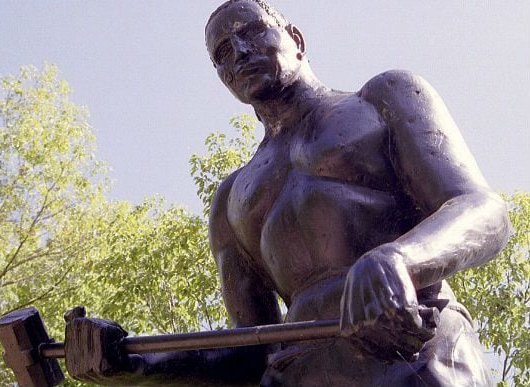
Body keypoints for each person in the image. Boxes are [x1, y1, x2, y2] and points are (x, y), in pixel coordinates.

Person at [64, 1, 511, 385]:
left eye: (251, 32)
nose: (238, 53)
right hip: (305, 375)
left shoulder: (384, 97)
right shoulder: (230, 201)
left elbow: (483, 211)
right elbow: (249, 350)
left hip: (416, 353)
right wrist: (132, 363)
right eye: (222, 53)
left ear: (295, 36)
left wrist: (398, 258)